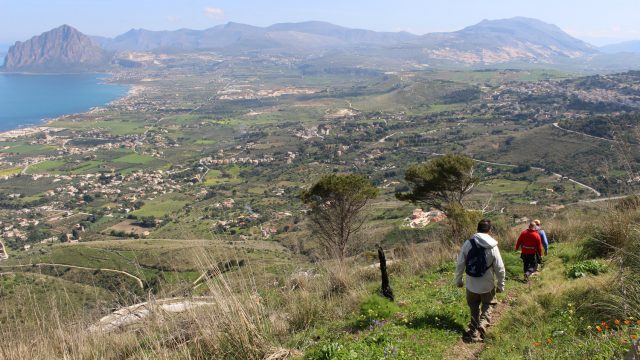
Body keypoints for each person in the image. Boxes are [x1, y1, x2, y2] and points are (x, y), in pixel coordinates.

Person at [455, 219, 506, 342]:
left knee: (473, 306)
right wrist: (500, 284)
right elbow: (500, 268)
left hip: (471, 284)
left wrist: (459, 280)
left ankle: (473, 331)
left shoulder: (468, 243)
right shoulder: (493, 246)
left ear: (477, 229)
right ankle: (483, 324)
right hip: (487, 284)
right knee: (489, 303)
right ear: (489, 230)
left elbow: (460, 263)